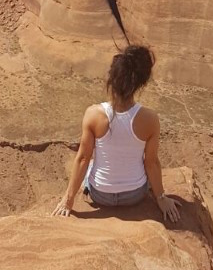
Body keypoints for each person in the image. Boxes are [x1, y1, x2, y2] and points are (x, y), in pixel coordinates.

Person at [52, 44, 181, 223]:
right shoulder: (150, 119)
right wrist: (161, 198)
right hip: (135, 195)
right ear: (140, 84)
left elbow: (82, 158)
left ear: (111, 79)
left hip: (100, 195)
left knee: (89, 164)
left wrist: (68, 201)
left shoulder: (93, 114)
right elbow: (151, 163)